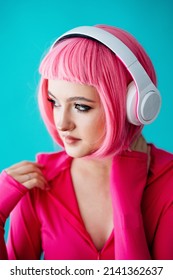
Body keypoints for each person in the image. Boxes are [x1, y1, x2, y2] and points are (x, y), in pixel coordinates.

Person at [0, 24, 173, 260]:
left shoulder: (167, 182)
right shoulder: (37, 183)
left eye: (81, 106)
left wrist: (127, 202)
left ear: (133, 105)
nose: (61, 123)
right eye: (54, 102)